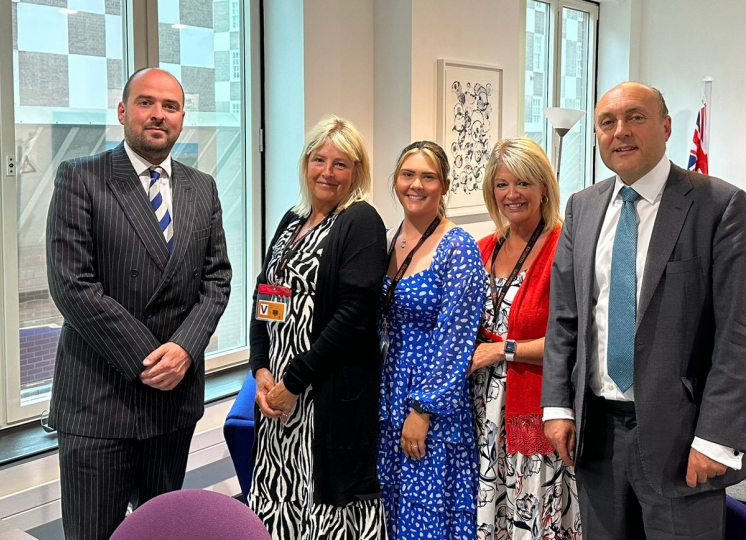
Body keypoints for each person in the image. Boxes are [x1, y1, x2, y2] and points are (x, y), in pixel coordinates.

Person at [541, 82, 746, 539]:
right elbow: (565, 319)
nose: (620, 131)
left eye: (636, 117)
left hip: (682, 440)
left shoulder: (719, 205)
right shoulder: (582, 207)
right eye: (607, 122)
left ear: (665, 127)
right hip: (596, 435)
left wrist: (716, 438)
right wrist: (557, 406)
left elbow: (740, 334)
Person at [45, 67, 232, 540]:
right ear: (124, 111)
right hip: (98, 398)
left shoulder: (201, 187)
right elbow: (72, 285)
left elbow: (217, 279)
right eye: (146, 102)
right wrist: (150, 358)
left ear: (182, 117)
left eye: (170, 106)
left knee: (163, 530)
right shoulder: (81, 178)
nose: (158, 114)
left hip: (172, 400)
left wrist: (185, 351)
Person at [248, 114, 388, 539]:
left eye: (341, 164)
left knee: (325, 509)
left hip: (324, 396)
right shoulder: (292, 220)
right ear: (306, 162)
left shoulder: (360, 221)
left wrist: (293, 381)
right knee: (280, 497)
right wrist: (260, 370)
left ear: (357, 172)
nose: (327, 172)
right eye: (319, 160)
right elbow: (264, 296)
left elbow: (353, 316)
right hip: (278, 400)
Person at [470, 137, 580, 539]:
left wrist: (503, 350)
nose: (512, 194)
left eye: (523, 184)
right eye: (502, 185)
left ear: (544, 188)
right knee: (490, 511)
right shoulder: (481, 248)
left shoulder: (565, 248)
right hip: (480, 411)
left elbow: (574, 341)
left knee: (532, 515)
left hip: (536, 407)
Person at [377, 141, 487, 540]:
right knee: (393, 505)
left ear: (444, 185)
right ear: (395, 181)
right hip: (391, 390)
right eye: (408, 174)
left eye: (428, 176)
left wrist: (423, 410)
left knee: (428, 513)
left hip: (432, 399)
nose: (416, 185)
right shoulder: (388, 239)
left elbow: (457, 339)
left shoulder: (458, 248)